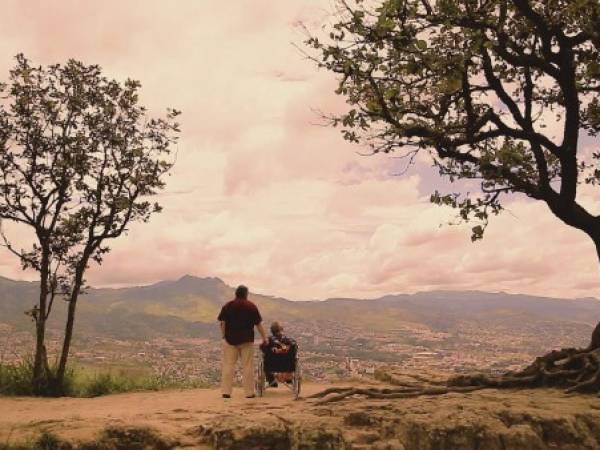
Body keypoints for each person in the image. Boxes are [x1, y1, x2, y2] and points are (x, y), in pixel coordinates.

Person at [217, 285, 267, 399]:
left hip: (230, 340)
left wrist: (224, 336)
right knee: (248, 366)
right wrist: (264, 338)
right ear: (246, 294)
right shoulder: (251, 306)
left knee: (228, 365)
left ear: (236, 293)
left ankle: (226, 392)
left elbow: (223, 323)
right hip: (247, 340)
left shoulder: (228, 306)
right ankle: (249, 393)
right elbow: (258, 324)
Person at [261, 321, 297, 388]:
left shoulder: (268, 341)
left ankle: (271, 380)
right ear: (281, 329)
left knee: (265, 359)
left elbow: (263, 348)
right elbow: (294, 348)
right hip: (287, 366)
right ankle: (289, 379)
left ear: (272, 331)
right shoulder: (289, 340)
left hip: (271, 366)